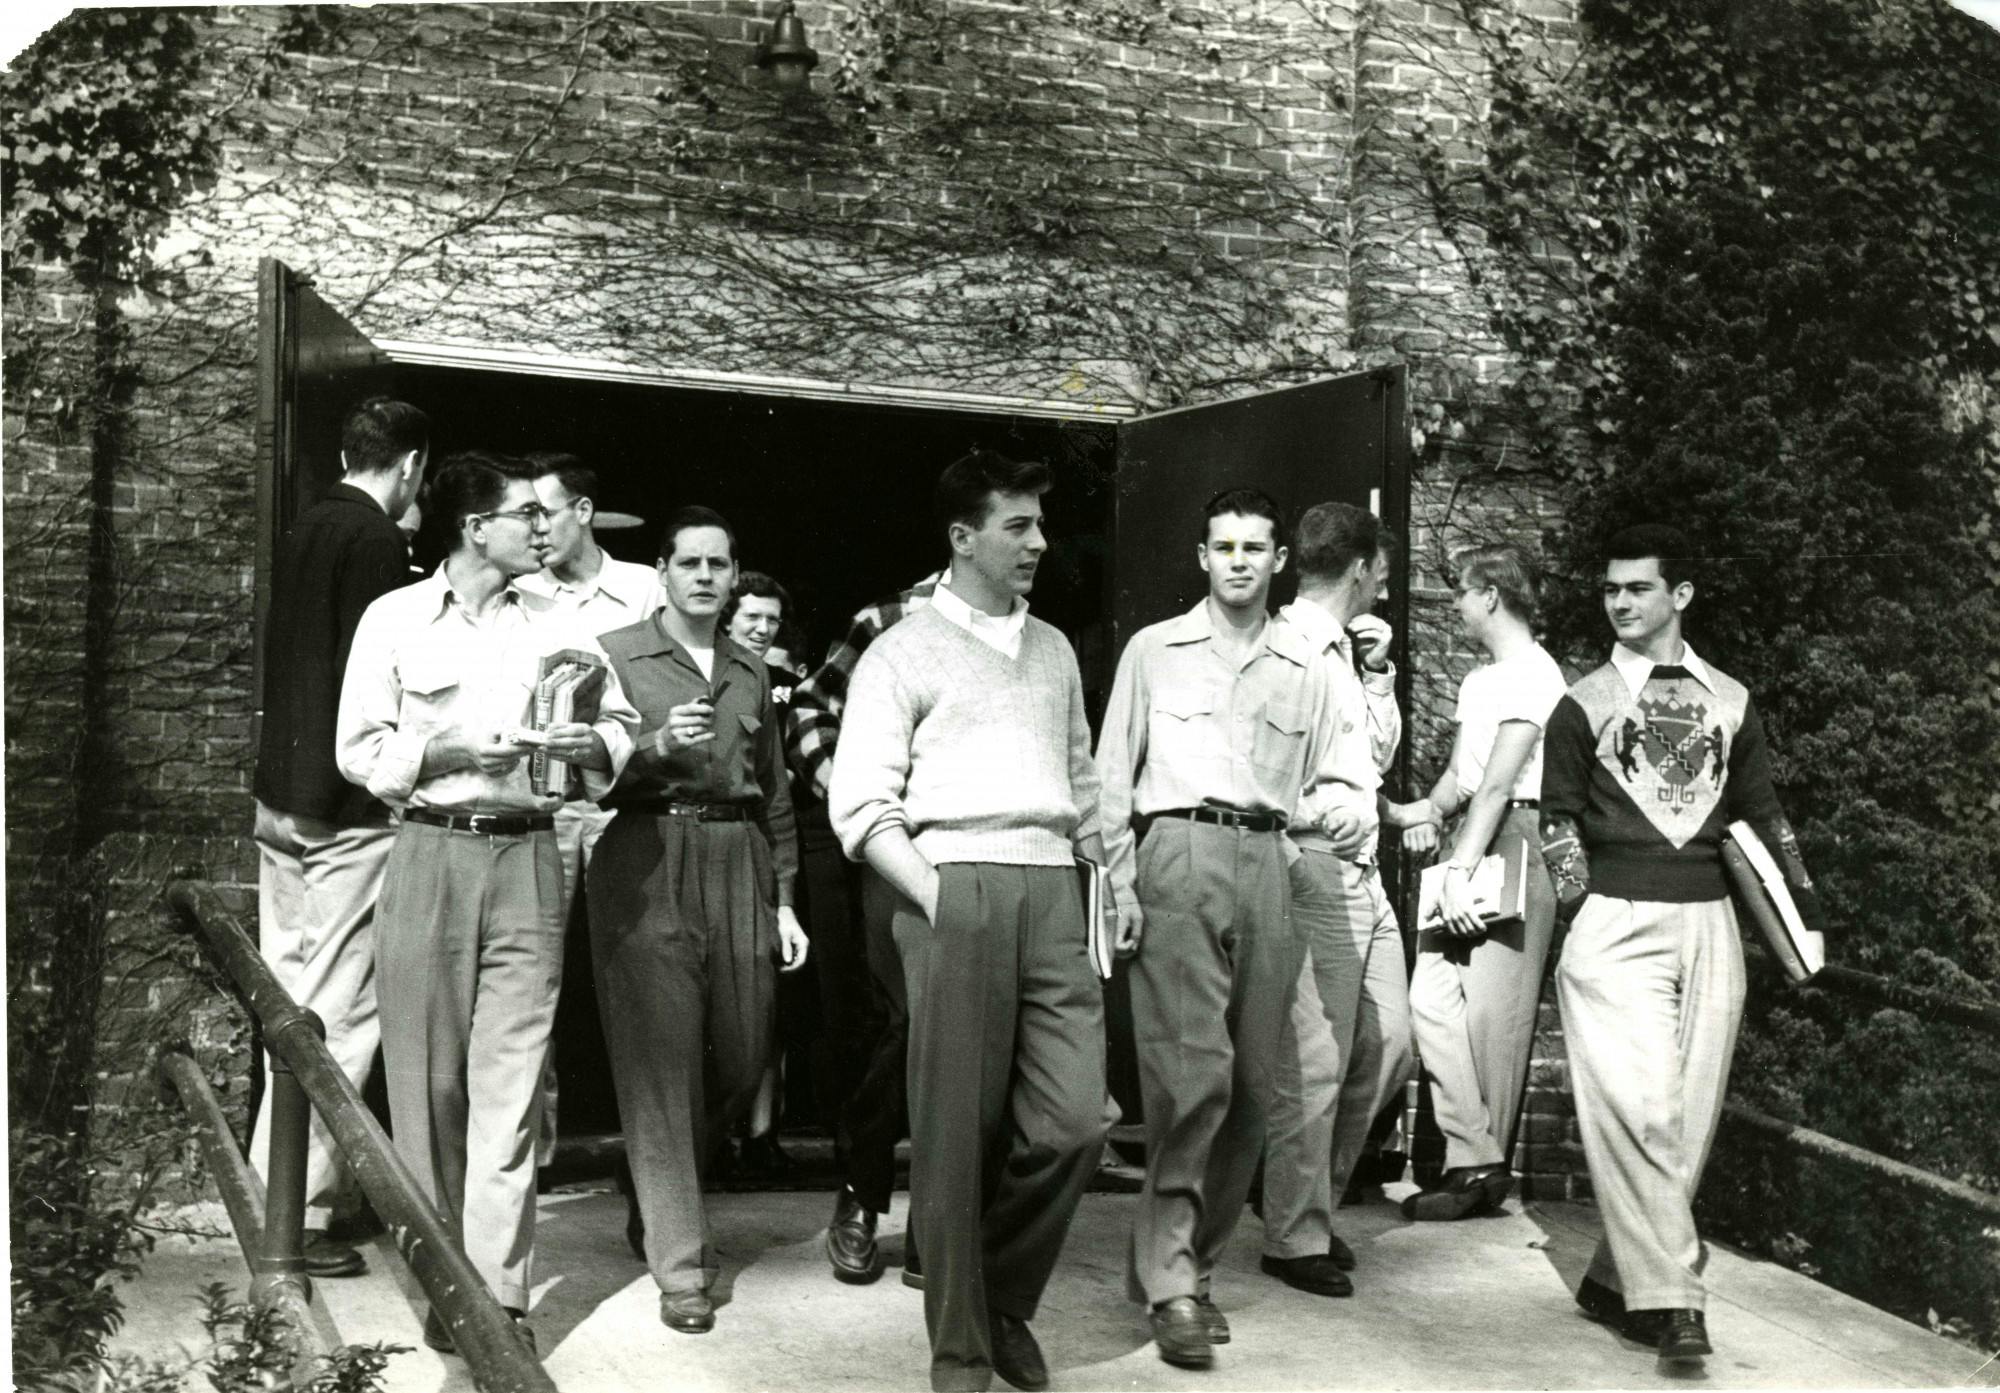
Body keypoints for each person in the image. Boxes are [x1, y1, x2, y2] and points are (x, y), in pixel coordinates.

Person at [335, 451, 639, 1354]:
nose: (543, 530)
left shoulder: (559, 625)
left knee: (509, 1083)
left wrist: (593, 744)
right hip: (430, 853)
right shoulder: (395, 620)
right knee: (430, 1081)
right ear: (476, 529)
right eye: (526, 516)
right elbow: (358, 748)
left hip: (530, 860)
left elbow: (618, 731)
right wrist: (442, 747)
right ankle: (445, 1271)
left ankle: (498, 1296)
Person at [831, 450, 1116, 1393]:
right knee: (953, 1136)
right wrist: (938, 891)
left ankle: (999, 1298)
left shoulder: (1056, 649)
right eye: (1018, 526)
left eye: (1039, 524)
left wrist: (1109, 876)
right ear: (963, 538)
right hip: (954, 889)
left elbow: (1082, 781)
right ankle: (958, 1352)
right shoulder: (900, 650)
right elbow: (861, 805)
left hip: (1053, 892)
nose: (1039, 542)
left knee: (1074, 1121)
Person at [1541, 523, 1826, 1364]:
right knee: (1646, 1109)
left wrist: (1804, 914)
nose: (1620, 603)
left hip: (1710, 926)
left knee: (1687, 1120)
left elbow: (1763, 815)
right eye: (1610, 589)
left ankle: (1611, 1278)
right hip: (1614, 924)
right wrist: (1579, 909)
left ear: (1681, 595)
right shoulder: (1581, 701)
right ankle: (1677, 1303)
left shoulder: (1731, 699)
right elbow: (1555, 818)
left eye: (1637, 588)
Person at [1095, 489, 1333, 1370]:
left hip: (1268, 859)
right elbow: (1112, 777)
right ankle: (1171, 1286)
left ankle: (1195, 1263)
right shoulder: (1154, 651)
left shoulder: (1304, 668)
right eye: (1224, 545)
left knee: (1252, 1085)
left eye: (1255, 546)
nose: (1239, 560)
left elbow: (1312, 777)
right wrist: (1118, 887)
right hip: (1178, 856)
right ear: (1201, 556)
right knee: (1191, 1075)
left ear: (1279, 561)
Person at [588, 506, 810, 1337]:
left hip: (739, 856)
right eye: (691, 564)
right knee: (660, 1059)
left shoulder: (752, 670)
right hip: (648, 854)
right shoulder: (614, 657)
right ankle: (682, 1265)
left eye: (720, 563)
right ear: (664, 572)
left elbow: (778, 794)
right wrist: (646, 747)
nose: (707, 577)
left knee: (746, 1051)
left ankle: (656, 1185)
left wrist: (784, 899)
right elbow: (580, 777)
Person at [250, 395, 429, 1278]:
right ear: (411, 468)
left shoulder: (307, 524)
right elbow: (373, 685)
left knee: (285, 991)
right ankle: (297, 1203)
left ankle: (272, 1187)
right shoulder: (378, 544)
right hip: (345, 811)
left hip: (281, 801)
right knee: (339, 1013)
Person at [1259, 501, 1423, 1297]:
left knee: (1390, 1041)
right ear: (1357, 570)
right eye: (1383, 577)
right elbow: (1265, 775)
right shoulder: (1283, 647)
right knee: (1315, 1060)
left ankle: (1305, 1201)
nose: (1384, 590)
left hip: (1366, 874)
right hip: (1320, 866)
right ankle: (1293, 1234)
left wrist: (1378, 677)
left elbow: (1373, 758)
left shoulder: (1343, 653)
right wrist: (1317, 829)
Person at [787, 568, 944, 1285]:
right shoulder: (890, 618)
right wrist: (848, 790)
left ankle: (937, 1218)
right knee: (906, 1020)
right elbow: (814, 706)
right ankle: (862, 1190)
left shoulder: (1026, 633)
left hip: (989, 854)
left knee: (964, 1032)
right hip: (899, 850)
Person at [1400, 544, 1567, 1220]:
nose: (1458, 606)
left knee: (1494, 1017)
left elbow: (1500, 782)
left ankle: (1474, 1175)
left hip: (1519, 838)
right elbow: (1462, 781)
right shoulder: (1479, 681)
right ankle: (1479, 1154)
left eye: (1464, 593)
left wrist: (1458, 866)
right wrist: (1412, 811)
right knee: (1431, 994)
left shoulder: (1538, 674)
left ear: (1493, 595)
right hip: (1474, 833)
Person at [516, 454, 665, 1172]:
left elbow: (661, 696)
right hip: (537, 810)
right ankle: (532, 1159)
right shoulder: (515, 592)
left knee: (637, 979)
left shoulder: (642, 590)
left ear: (583, 510)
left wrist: (606, 744)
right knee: (530, 977)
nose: (533, 527)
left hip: (615, 809)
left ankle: (650, 1167)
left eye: (544, 511)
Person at [719, 568, 807, 1179]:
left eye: (771, 620)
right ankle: (714, 1135)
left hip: (780, 841)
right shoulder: (715, 675)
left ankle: (761, 1134)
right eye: (751, 616)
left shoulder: (787, 683)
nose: (761, 627)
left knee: (768, 1004)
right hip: (723, 838)